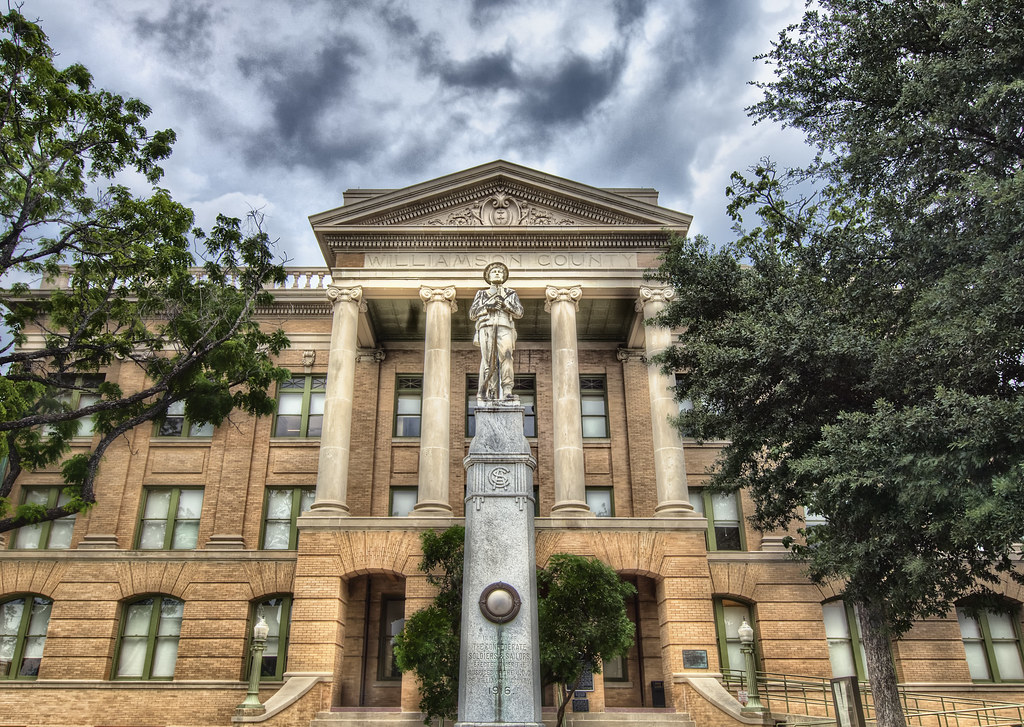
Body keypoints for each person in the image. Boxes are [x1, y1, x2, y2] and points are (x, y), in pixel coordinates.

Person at [470, 262, 524, 401]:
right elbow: (472, 314)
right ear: (488, 276)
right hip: (486, 326)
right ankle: (490, 391)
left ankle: (507, 390)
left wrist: (506, 305)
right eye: (494, 271)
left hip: (505, 327)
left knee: (506, 356)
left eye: (500, 272)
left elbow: (519, 312)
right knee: (489, 361)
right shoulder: (482, 294)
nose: (497, 273)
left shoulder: (510, 293)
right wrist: (488, 307)